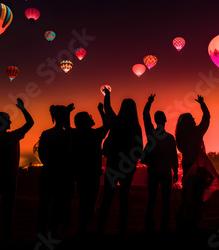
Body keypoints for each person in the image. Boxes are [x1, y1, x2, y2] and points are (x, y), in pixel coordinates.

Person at [0, 98, 34, 240]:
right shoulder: (13, 136)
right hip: (10, 177)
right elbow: (30, 123)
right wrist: (22, 109)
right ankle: (7, 231)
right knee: (8, 205)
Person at [69, 87, 113, 235]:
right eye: (89, 117)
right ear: (87, 122)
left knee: (83, 200)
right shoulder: (95, 135)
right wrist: (101, 110)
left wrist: (68, 113)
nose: (91, 118)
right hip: (93, 173)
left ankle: (83, 226)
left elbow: (66, 127)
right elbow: (107, 125)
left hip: (79, 172)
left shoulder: (74, 134)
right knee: (92, 200)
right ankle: (85, 227)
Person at [97, 97, 142, 235]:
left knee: (107, 199)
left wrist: (107, 96)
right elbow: (138, 148)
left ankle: (100, 229)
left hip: (113, 164)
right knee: (124, 199)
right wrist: (133, 164)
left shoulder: (116, 123)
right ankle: (121, 231)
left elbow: (109, 110)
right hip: (126, 167)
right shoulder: (135, 127)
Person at [176, 95, 219, 231]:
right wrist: (202, 104)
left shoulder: (180, 135)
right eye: (193, 120)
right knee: (197, 191)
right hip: (197, 165)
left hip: (187, 163)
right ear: (189, 122)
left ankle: (185, 217)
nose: (195, 121)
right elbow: (206, 118)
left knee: (188, 190)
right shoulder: (196, 133)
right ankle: (193, 217)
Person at [141, 94, 179, 232]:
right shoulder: (169, 138)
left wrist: (148, 103)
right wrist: (175, 171)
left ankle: (149, 221)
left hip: (153, 171)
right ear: (165, 120)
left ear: (156, 121)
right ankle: (165, 223)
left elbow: (145, 116)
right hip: (165, 172)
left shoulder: (152, 134)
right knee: (165, 198)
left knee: (152, 197)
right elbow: (173, 156)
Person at [37, 103, 74, 237]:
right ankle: (54, 232)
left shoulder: (46, 134)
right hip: (63, 174)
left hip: (48, 172)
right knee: (59, 204)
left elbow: (41, 154)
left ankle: (41, 232)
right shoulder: (67, 135)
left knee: (44, 204)